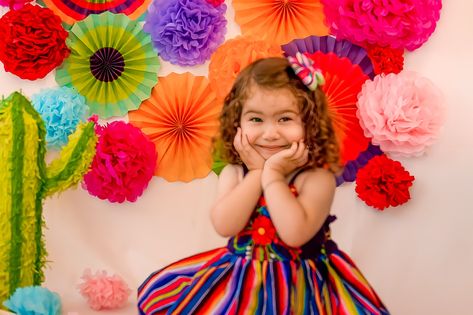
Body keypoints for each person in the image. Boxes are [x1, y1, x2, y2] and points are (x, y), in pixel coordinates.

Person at [138, 53, 389, 314]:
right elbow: (225, 225)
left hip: (303, 289)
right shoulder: (235, 173)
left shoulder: (317, 178)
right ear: (237, 124)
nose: (270, 134)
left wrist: (273, 177)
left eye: (285, 119)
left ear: (310, 123)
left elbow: (295, 234)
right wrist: (258, 173)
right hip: (243, 286)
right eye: (256, 119)